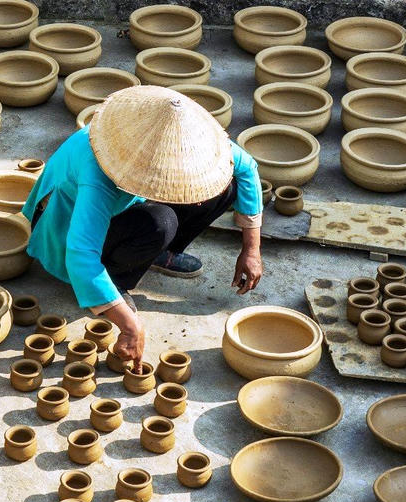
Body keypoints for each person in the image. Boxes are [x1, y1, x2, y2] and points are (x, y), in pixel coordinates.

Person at [23, 85, 264, 365]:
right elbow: (80, 255)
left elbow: (247, 168)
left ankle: (158, 252)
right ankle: (115, 280)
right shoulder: (100, 170)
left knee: (222, 185)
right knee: (160, 223)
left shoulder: (192, 140)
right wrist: (129, 326)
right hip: (63, 227)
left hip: (123, 204)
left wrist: (251, 248)